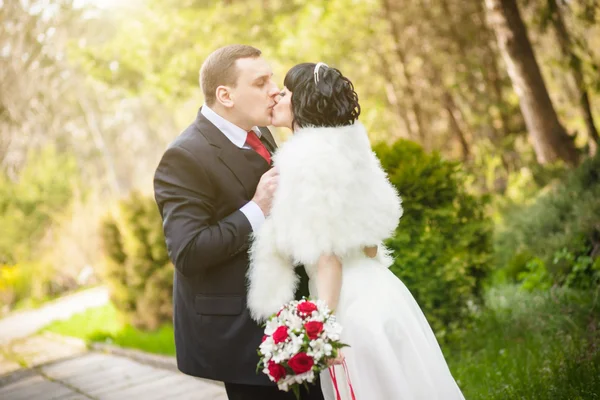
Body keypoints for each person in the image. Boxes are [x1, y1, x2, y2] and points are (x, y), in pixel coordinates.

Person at [247, 62, 466, 400]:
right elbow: (369, 246)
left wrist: (322, 331)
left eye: (286, 92)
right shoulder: (349, 149)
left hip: (352, 309)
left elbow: (328, 257)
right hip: (385, 294)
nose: (277, 96)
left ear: (302, 102)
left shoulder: (305, 161)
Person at [153, 46, 324, 400]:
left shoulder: (260, 132)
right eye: (261, 82)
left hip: (291, 318)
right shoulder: (184, 157)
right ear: (225, 95)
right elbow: (188, 251)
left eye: (271, 79)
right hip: (242, 333)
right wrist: (257, 208)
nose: (275, 89)